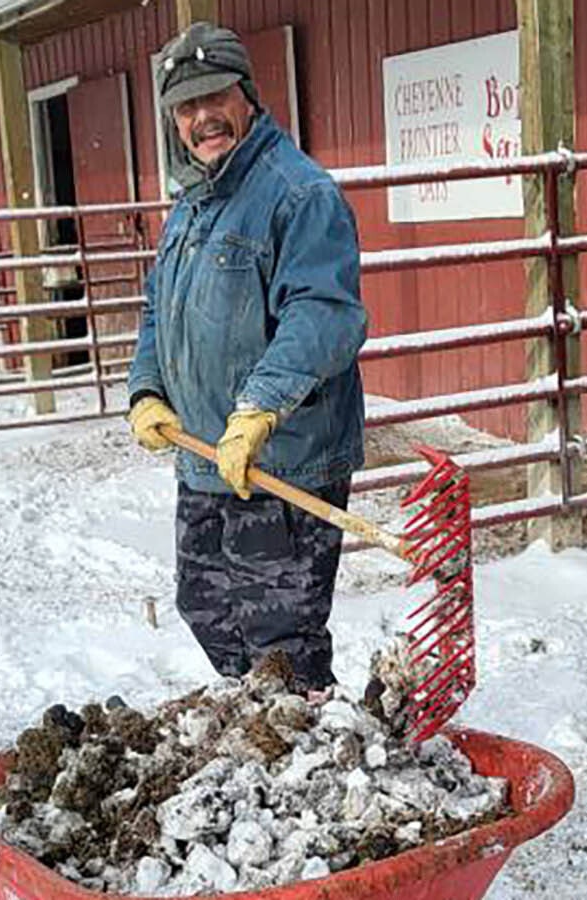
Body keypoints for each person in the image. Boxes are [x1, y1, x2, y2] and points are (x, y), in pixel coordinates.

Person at [126, 21, 367, 692]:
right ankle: (268, 735)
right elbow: (158, 310)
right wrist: (147, 388)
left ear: (247, 97)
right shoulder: (195, 202)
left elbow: (324, 313)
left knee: (281, 644)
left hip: (282, 460)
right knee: (206, 608)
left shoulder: (298, 193)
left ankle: (317, 753)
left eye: (215, 97)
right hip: (206, 458)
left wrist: (261, 407)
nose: (203, 117)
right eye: (186, 106)